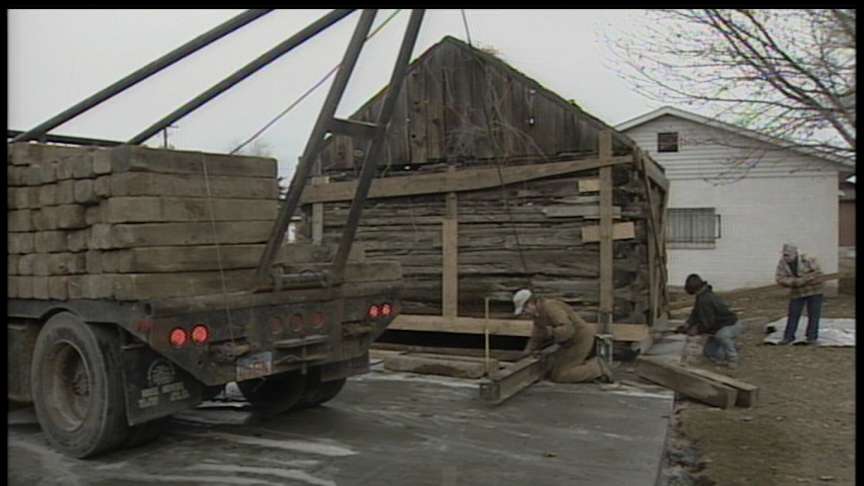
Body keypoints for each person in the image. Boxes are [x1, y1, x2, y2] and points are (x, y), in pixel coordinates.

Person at [513, 289, 613, 383]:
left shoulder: (550, 307)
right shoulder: (537, 315)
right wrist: (527, 352)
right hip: (568, 342)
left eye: (524, 309)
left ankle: (598, 369)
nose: (524, 313)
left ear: (530, 304)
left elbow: (568, 330)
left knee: (561, 375)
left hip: (580, 339)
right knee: (553, 370)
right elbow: (537, 336)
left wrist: (550, 333)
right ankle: (588, 365)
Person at [676, 274, 743, 369]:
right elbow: (695, 313)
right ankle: (733, 346)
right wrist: (688, 324)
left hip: (731, 326)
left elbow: (708, 323)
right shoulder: (701, 295)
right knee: (708, 352)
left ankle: (733, 359)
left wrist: (696, 330)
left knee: (721, 336)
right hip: (718, 327)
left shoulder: (705, 299)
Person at [775, 243, 824, 345]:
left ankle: (812, 338)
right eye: (784, 255)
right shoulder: (782, 263)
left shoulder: (807, 259)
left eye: (788, 255)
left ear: (795, 253)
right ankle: (788, 337)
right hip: (797, 291)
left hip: (814, 290)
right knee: (793, 314)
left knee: (814, 314)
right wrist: (795, 282)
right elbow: (780, 278)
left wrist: (805, 279)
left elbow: (818, 273)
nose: (786, 257)